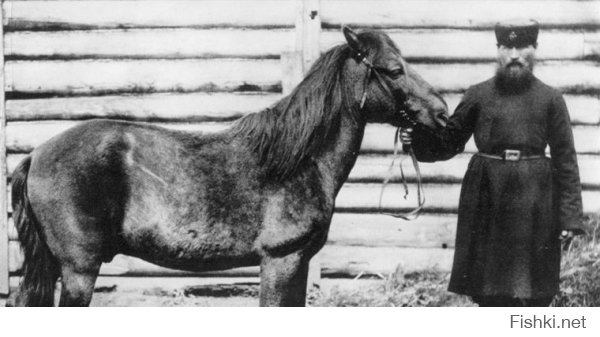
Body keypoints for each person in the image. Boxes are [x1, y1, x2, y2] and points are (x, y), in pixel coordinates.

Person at [401, 19, 585, 307]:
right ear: (497, 49)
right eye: (506, 46)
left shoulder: (551, 98)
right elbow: (449, 142)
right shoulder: (478, 94)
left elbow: (566, 159)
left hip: (535, 200)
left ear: (534, 48)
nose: (514, 55)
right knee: (488, 290)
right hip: (487, 196)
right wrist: (416, 141)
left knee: (534, 289)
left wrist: (570, 218)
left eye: (522, 46)